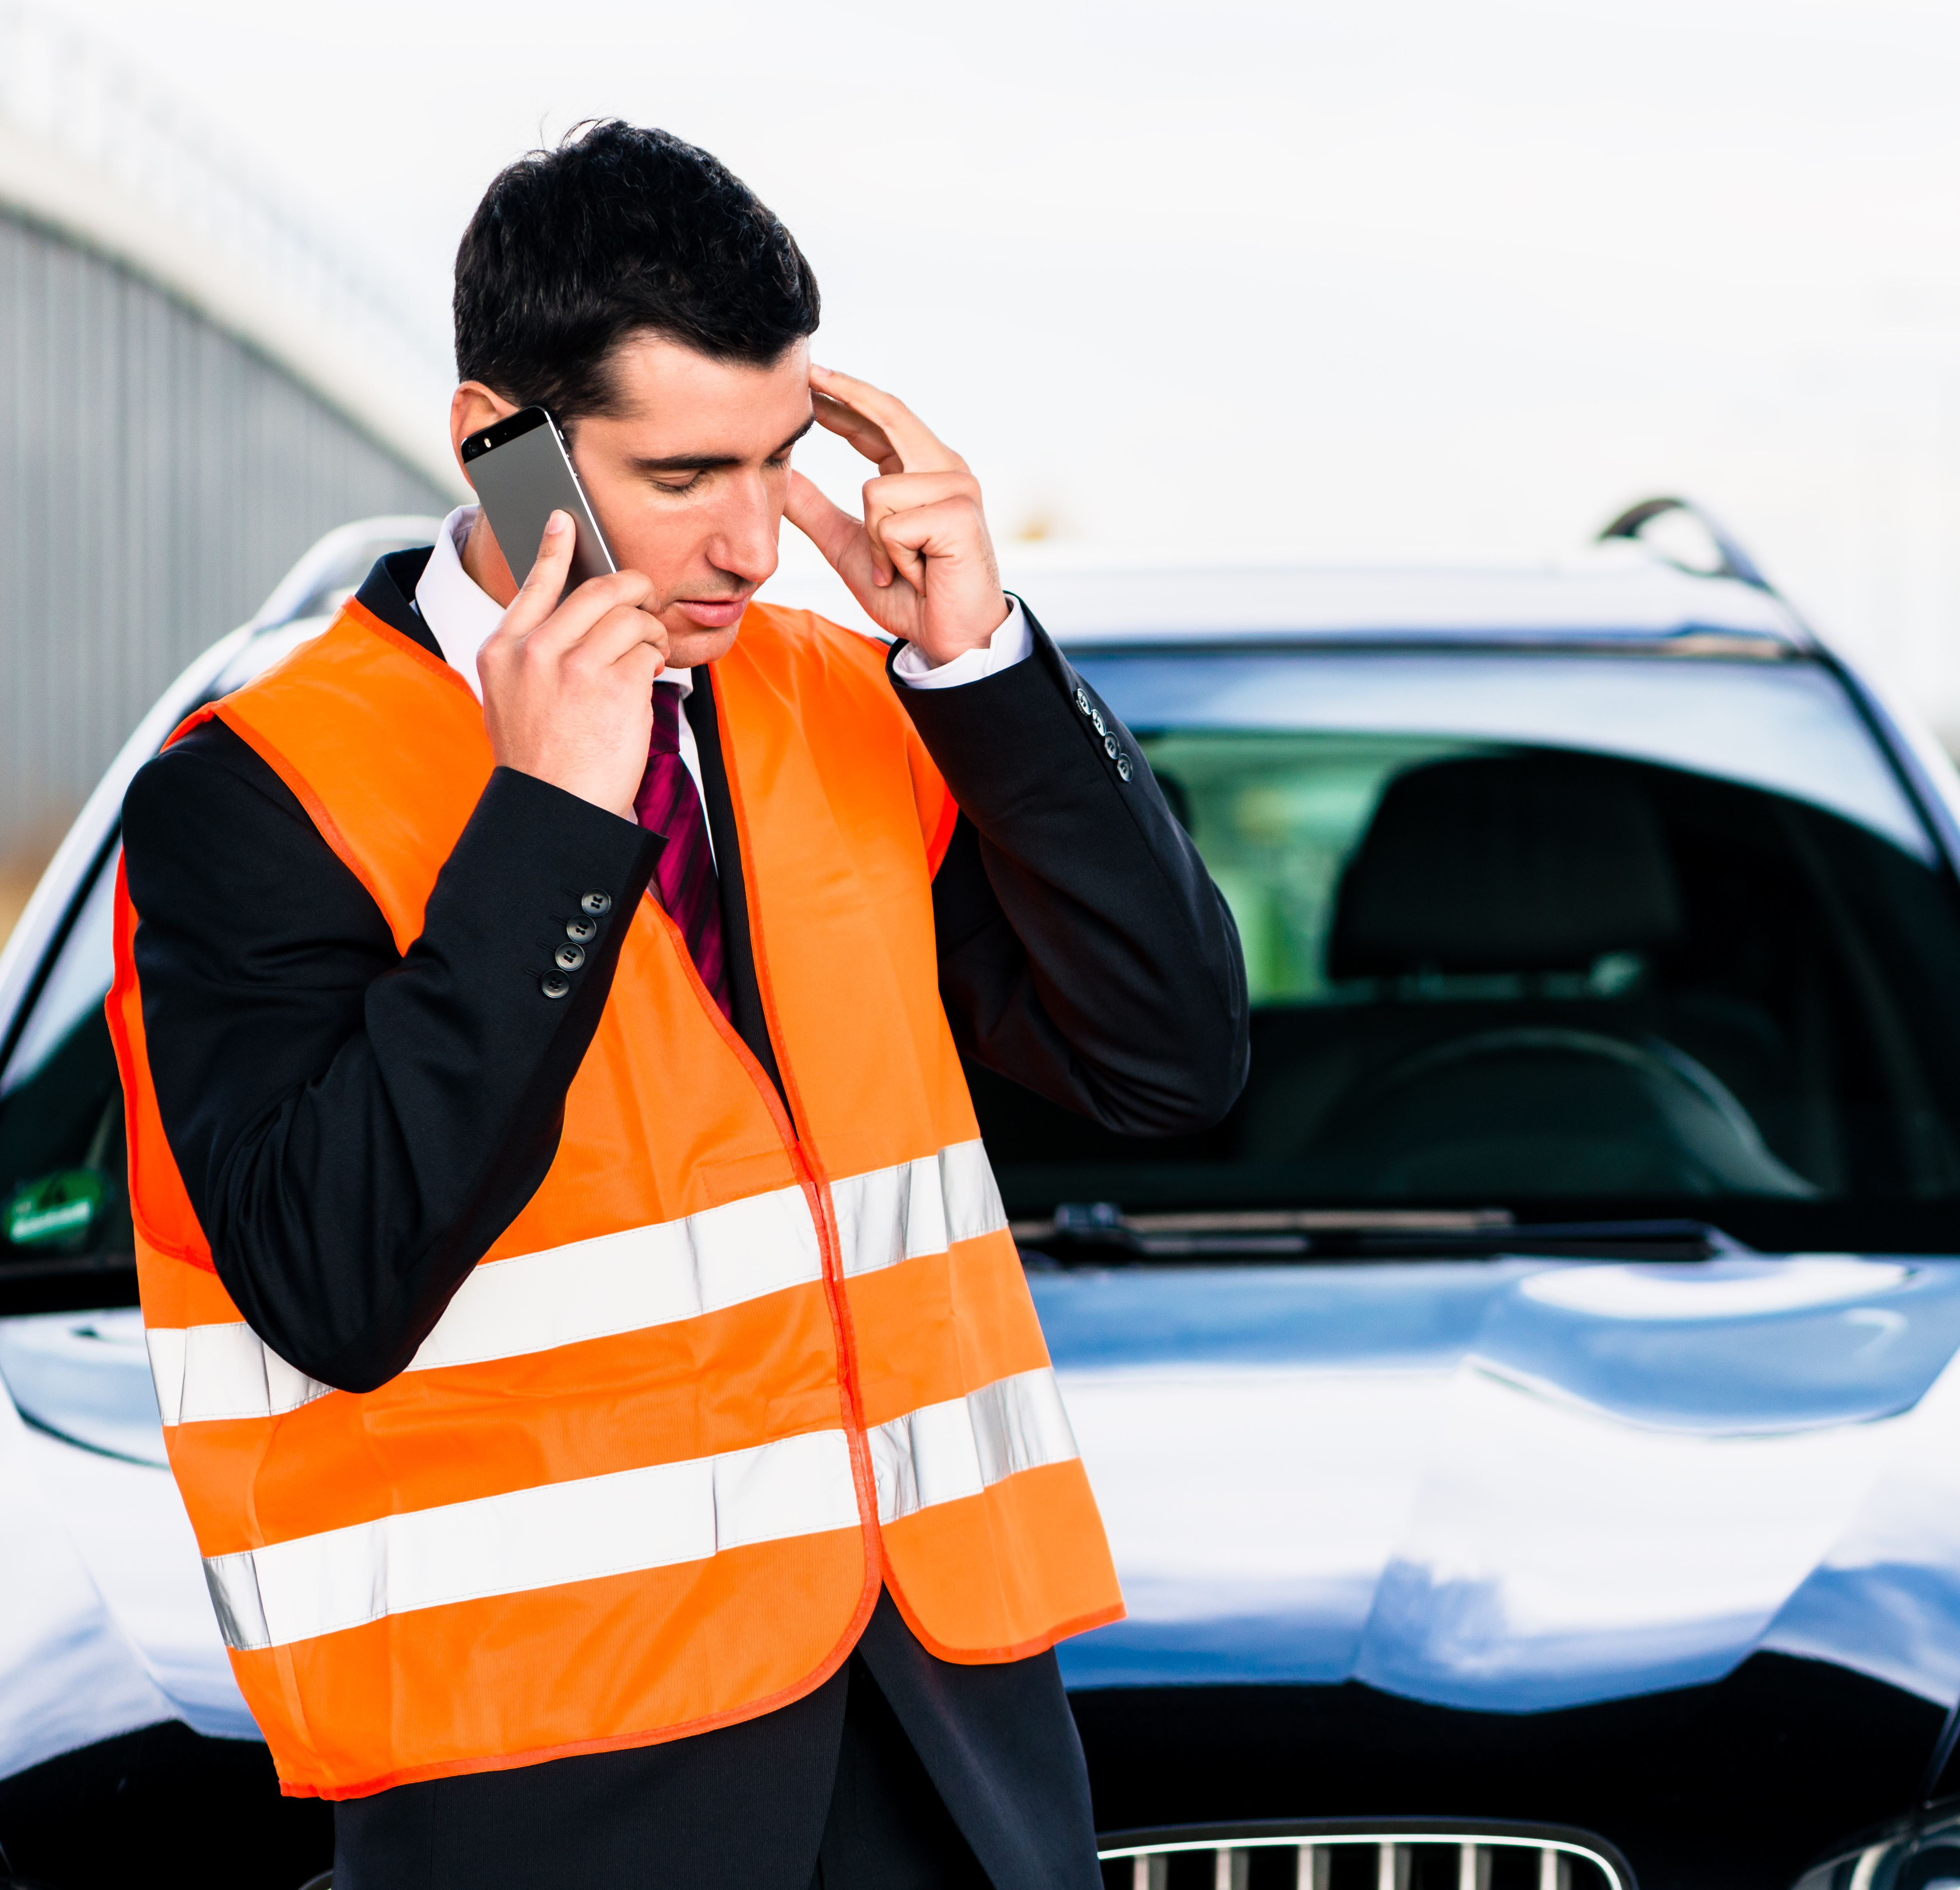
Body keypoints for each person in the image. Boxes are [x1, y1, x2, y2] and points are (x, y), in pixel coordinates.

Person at [109, 122, 1247, 1890]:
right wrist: (551, 824)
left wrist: (987, 668)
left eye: (781, 462)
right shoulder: (255, 792)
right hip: (543, 1790)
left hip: (950, 1747)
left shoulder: (856, 703)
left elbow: (1170, 1063)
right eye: (685, 471)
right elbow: (333, 1279)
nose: (751, 543)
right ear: (500, 442)